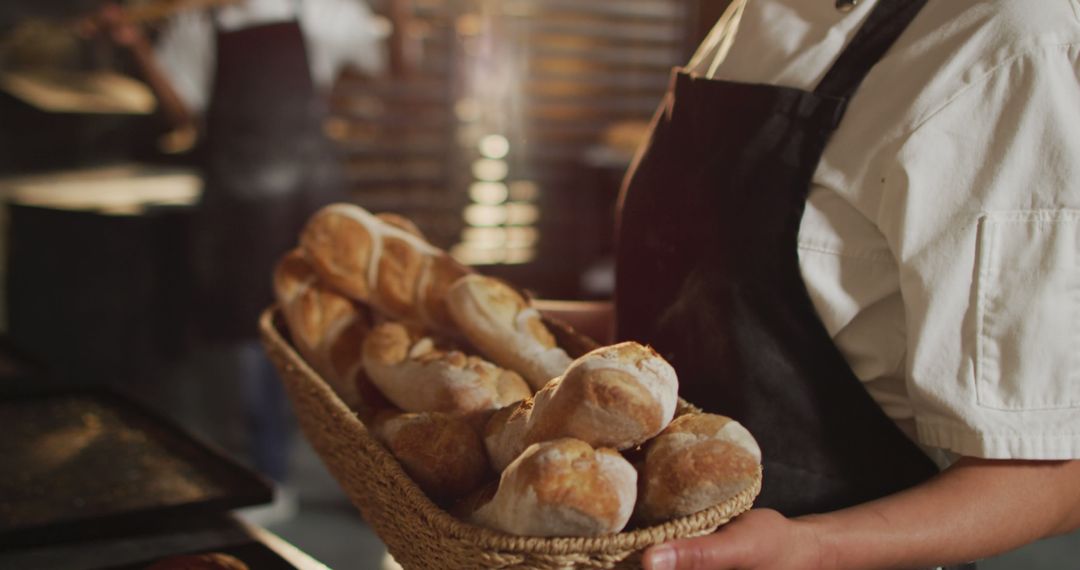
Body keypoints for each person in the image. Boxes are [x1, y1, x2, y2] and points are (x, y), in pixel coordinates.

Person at [543, 1, 1080, 568]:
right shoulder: (752, 15)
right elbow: (692, 322)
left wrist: (810, 548)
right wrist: (472, 314)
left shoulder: (1007, 40)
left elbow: (1053, 478)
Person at [86, 0, 385, 487]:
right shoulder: (196, 22)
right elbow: (182, 109)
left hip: (308, 194)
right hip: (236, 202)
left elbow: (383, 62)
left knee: (320, 327)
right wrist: (136, 47)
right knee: (246, 332)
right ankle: (264, 468)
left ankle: (349, 470)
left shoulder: (318, 8)